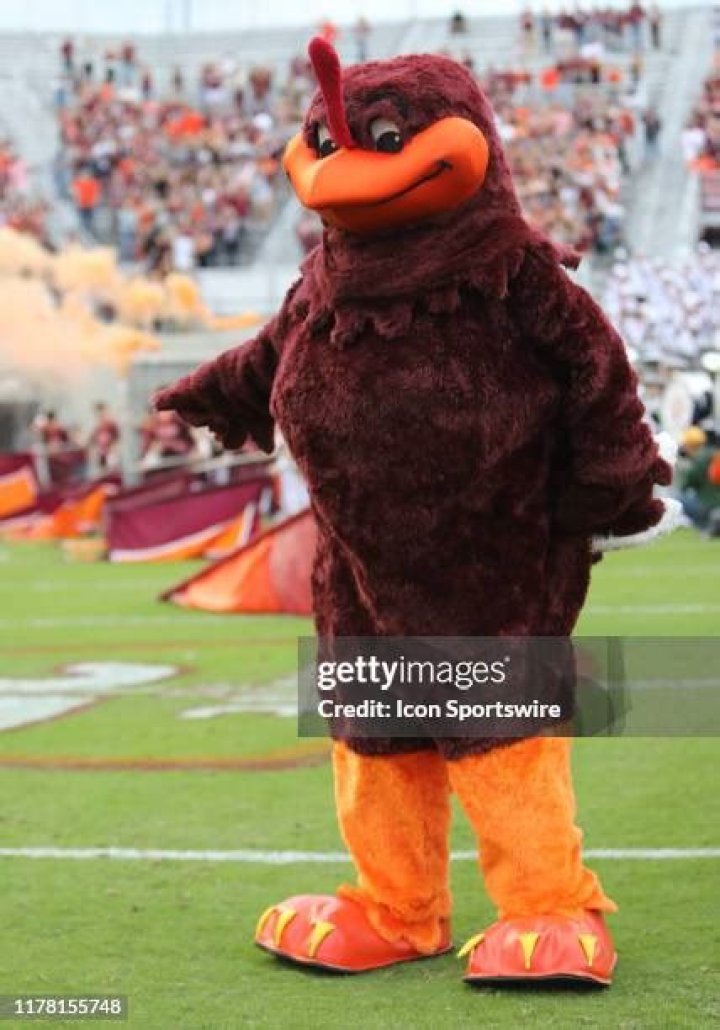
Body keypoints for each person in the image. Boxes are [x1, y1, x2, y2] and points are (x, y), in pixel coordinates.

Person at [678, 426, 720, 530]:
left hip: (708, 503)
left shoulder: (698, 459)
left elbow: (687, 484)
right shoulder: (715, 452)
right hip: (716, 499)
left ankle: (704, 525)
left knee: (678, 498)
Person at [87, 402, 119, 472]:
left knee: (112, 469)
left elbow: (117, 438)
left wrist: (114, 449)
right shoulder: (96, 427)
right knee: (102, 471)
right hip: (100, 453)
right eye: (97, 414)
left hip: (111, 452)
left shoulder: (111, 424)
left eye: (102, 412)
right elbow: (92, 441)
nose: (100, 415)